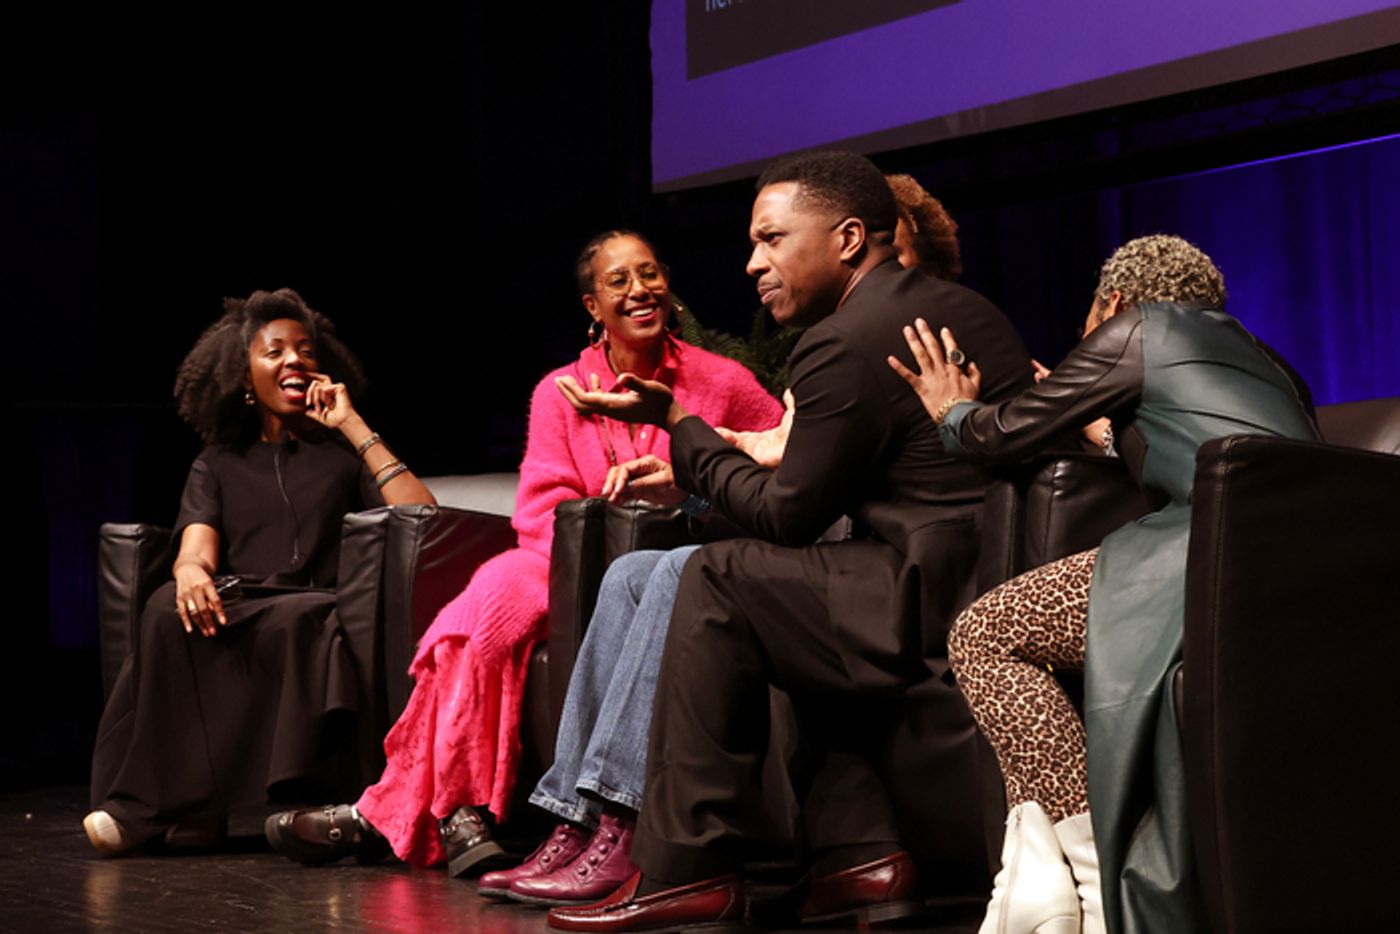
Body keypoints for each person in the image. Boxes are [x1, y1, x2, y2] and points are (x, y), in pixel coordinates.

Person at [549, 151, 1035, 931]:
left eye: (772, 240)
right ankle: (859, 854)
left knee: (721, 576)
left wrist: (682, 429)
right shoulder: (967, 309)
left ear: (847, 238)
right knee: (788, 590)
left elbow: (783, 514)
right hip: (986, 582)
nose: (752, 264)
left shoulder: (843, 342)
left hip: (930, 599)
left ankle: (690, 867)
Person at [265, 231, 783, 875]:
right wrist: (594, 523)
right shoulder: (560, 390)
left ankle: (392, 814)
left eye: (649, 274)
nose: (639, 290)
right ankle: (456, 812)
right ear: (593, 305)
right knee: (474, 618)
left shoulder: (721, 381)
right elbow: (538, 507)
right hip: (555, 560)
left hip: (672, 560)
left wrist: (693, 482)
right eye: (618, 282)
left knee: (509, 602)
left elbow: (776, 468)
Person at [888, 235, 1318, 934]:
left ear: (1112, 305)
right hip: (1298, 581)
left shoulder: (1136, 330)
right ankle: (1041, 892)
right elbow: (1211, 446)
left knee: (986, 633)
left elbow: (999, 435)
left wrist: (951, 410)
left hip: (1210, 561)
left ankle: (1090, 883)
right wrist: (1113, 435)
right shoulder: (1274, 365)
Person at [85, 288, 436, 856]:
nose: (295, 360)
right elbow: (197, 543)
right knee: (166, 611)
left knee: (300, 620)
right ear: (244, 378)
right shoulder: (217, 462)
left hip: (317, 602)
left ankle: (249, 805)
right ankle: (177, 807)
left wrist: (354, 427)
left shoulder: (343, 456)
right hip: (240, 595)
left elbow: (423, 516)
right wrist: (191, 572)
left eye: (305, 351)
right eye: (275, 352)